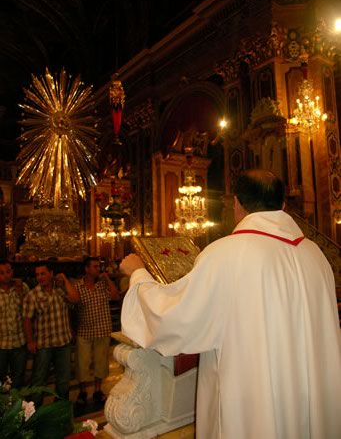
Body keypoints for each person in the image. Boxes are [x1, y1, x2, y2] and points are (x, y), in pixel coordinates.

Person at [120, 169, 341, 439]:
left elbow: (175, 317)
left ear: (236, 203)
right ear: (282, 205)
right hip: (311, 393)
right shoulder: (315, 254)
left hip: (255, 400)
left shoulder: (226, 253)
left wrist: (139, 275)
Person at [23, 262, 79, 406]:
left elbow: (75, 299)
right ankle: (34, 411)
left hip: (63, 342)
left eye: (43, 273)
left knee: (63, 379)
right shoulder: (33, 295)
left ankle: (60, 409)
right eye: (37, 275)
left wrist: (65, 280)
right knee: (39, 380)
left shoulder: (60, 290)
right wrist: (30, 341)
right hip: (44, 344)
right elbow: (27, 319)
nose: (40, 277)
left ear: (51, 273)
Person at [74, 257, 120, 406]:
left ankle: (98, 390)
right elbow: (72, 304)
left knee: (101, 362)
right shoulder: (78, 286)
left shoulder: (102, 285)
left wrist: (107, 278)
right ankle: (82, 391)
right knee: (83, 363)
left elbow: (115, 295)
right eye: (94, 267)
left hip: (102, 328)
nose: (98, 269)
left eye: (98, 266)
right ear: (86, 269)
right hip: (84, 330)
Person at [0, 259, 30, 388]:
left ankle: (18, 406)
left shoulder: (22, 287)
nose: (6, 275)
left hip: (19, 341)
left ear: (12, 272)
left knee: (18, 377)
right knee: (1, 378)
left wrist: (20, 293)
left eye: (8, 271)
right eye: (1, 273)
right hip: (1, 343)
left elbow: (28, 312)